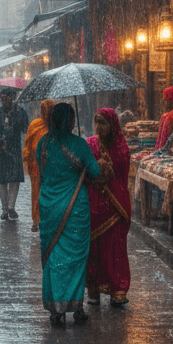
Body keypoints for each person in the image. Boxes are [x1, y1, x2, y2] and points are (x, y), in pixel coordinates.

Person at [36, 103, 102, 328]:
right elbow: (95, 172)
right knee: (75, 259)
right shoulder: (80, 144)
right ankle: (76, 306)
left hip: (49, 206)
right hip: (75, 209)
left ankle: (56, 310)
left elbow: (42, 172)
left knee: (53, 256)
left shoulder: (43, 143)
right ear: (71, 120)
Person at [86, 108, 132, 306]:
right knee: (94, 250)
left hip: (114, 205)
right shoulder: (89, 144)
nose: (99, 127)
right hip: (94, 205)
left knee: (115, 249)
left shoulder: (122, 149)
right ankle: (94, 289)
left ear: (112, 125)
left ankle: (117, 289)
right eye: (96, 122)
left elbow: (120, 179)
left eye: (103, 123)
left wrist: (106, 170)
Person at [0, 88, 29, 221]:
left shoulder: (20, 112)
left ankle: (11, 206)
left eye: (7, 98)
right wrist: (0, 140)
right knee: (1, 180)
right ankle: (5, 209)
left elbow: (25, 128)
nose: (4, 100)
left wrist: (15, 119)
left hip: (14, 150)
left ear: (13, 98)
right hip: (0, 151)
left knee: (14, 179)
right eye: (2, 98)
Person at [22, 99, 54, 233]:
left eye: (47, 110)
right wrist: (28, 155)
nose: (45, 113)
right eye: (43, 110)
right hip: (35, 164)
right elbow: (28, 143)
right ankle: (36, 220)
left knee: (49, 192)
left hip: (51, 165)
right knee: (36, 193)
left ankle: (48, 218)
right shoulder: (35, 124)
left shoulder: (56, 126)